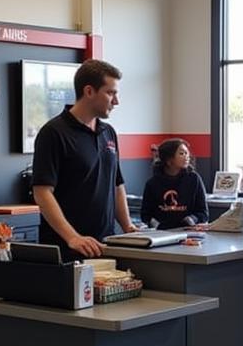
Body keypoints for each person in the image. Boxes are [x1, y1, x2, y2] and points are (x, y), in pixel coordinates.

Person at [32, 59, 136, 259]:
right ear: (89, 91)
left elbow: (117, 185)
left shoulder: (109, 133)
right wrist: (73, 237)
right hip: (67, 250)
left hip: (105, 246)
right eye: (110, 93)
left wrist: (129, 228)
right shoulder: (53, 133)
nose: (116, 101)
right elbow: (42, 192)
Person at [140, 138, 209, 229]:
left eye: (186, 153)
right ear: (169, 160)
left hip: (189, 232)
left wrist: (191, 220)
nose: (186, 156)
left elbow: (203, 213)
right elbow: (145, 214)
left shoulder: (194, 179)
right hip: (161, 233)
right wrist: (157, 225)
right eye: (181, 153)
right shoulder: (152, 183)